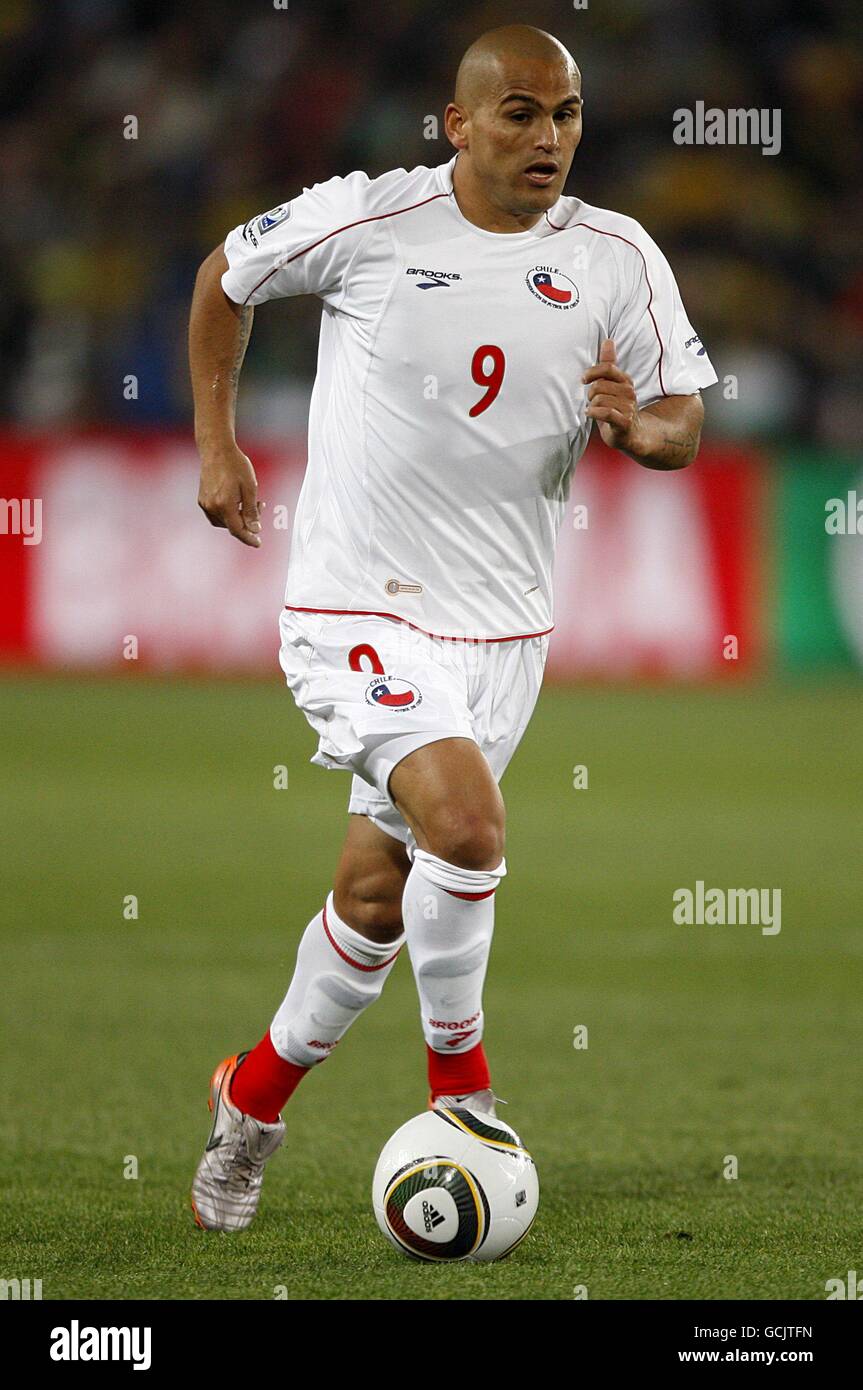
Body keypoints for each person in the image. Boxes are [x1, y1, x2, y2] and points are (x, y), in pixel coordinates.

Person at [187, 23, 716, 1232]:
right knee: (468, 826)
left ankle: (251, 1097)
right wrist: (218, 444)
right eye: (521, 113)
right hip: (356, 604)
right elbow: (224, 276)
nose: (549, 138)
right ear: (458, 123)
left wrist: (645, 432)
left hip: (505, 632)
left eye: (568, 114)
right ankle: (463, 1094)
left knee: (378, 897)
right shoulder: (367, 220)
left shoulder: (616, 256)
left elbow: (682, 416)